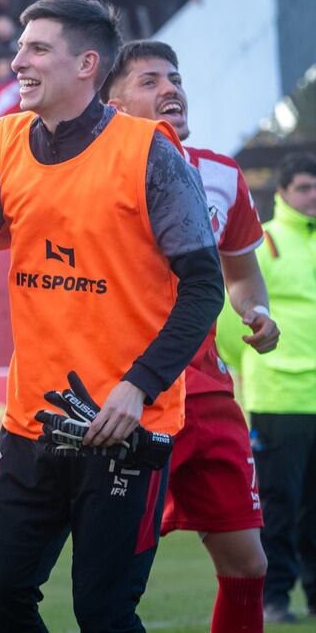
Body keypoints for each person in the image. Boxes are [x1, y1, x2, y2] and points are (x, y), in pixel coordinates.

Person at [0, 0, 223, 631]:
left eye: (37, 49)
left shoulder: (149, 153)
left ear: (86, 64)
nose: (18, 60)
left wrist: (139, 386)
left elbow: (205, 287)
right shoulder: (6, 140)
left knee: (103, 613)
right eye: (21, 47)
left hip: (126, 424)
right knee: (0, 601)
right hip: (31, 423)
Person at [104, 40, 278, 632]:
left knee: (248, 564)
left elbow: (242, 274)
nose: (170, 89)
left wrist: (256, 311)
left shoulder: (223, 173)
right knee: (115, 577)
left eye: (174, 79)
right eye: (149, 81)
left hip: (208, 393)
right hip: (131, 397)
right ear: (113, 103)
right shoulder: (92, 172)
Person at [217, 153, 316, 624]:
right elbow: (228, 323)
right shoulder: (267, 242)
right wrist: (254, 370)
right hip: (278, 399)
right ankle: (276, 597)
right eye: (302, 187)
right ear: (281, 193)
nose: (311, 195)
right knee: (279, 506)